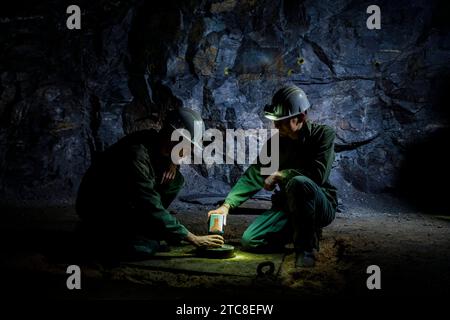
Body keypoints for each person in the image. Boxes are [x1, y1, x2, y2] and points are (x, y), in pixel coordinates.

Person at [208, 85, 337, 268]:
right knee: (250, 240)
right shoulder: (275, 144)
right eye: (275, 120)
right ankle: (300, 230)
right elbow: (254, 175)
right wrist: (227, 205)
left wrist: (281, 175)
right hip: (287, 207)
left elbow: (318, 175)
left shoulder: (323, 136)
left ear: (300, 117)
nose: (275, 125)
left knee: (299, 183)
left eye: (282, 121)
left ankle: (306, 250)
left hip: (319, 205)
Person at [76, 108, 223, 260]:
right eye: (188, 145)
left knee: (175, 179)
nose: (189, 151)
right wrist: (193, 238)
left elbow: (166, 153)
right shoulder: (136, 155)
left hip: (123, 199)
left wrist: (172, 162)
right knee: (143, 249)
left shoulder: (157, 141)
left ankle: (144, 228)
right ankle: (98, 233)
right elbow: (148, 202)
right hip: (97, 207)